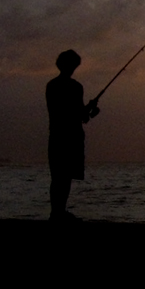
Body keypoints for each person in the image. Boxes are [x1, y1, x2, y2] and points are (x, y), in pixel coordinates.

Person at [46, 49, 100, 221]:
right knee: (66, 176)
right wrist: (91, 109)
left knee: (57, 176)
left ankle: (56, 212)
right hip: (72, 137)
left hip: (56, 135)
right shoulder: (76, 87)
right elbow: (81, 116)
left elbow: (63, 112)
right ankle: (59, 212)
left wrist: (87, 110)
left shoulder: (51, 85)